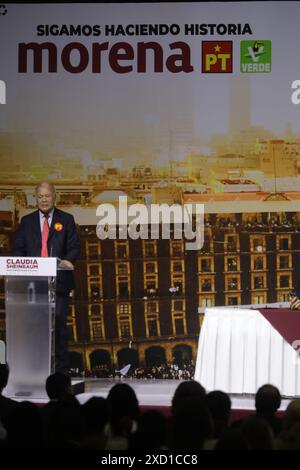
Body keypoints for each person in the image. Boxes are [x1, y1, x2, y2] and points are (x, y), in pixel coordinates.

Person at [12, 182, 80, 373]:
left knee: (59, 327)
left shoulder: (66, 219)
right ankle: (36, 370)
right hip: (33, 284)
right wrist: (21, 266)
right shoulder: (26, 221)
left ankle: (61, 374)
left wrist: (68, 260)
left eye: (47, 196)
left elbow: (74, 246)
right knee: (34, 328)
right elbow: (18, 249)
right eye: (40, 196)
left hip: (59, 283)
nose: (43, 199)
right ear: (36, 198)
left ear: (54, 196)